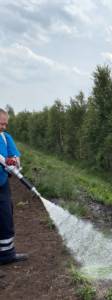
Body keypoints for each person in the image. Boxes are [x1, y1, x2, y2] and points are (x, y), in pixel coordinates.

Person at [0, 108, 28, 265]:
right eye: (1, 124)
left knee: (5, 216)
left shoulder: (5, 137)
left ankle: (7, 255)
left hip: (2, 184)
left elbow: (15, 155)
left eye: (5, 124)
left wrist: (14, 162)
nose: (4, 127)